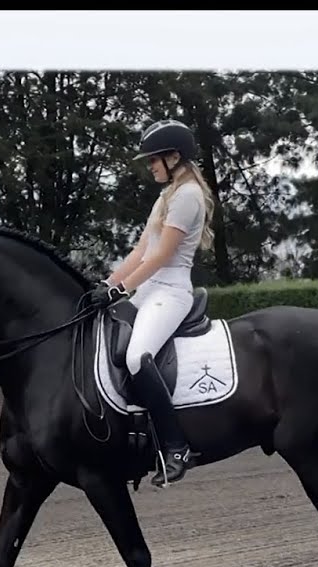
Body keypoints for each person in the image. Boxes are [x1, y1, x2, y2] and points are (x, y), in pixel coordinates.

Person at [85, 119, 216, 487]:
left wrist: (121, 289)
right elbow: (141, 250)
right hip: (148, 289)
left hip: (171, 292)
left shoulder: (188, 196)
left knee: (135, 356)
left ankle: (176, 446)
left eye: (154, 160)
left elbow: (161, 257)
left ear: (174, 156)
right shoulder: (167, 195)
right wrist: (107, 284)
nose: (150, 166)